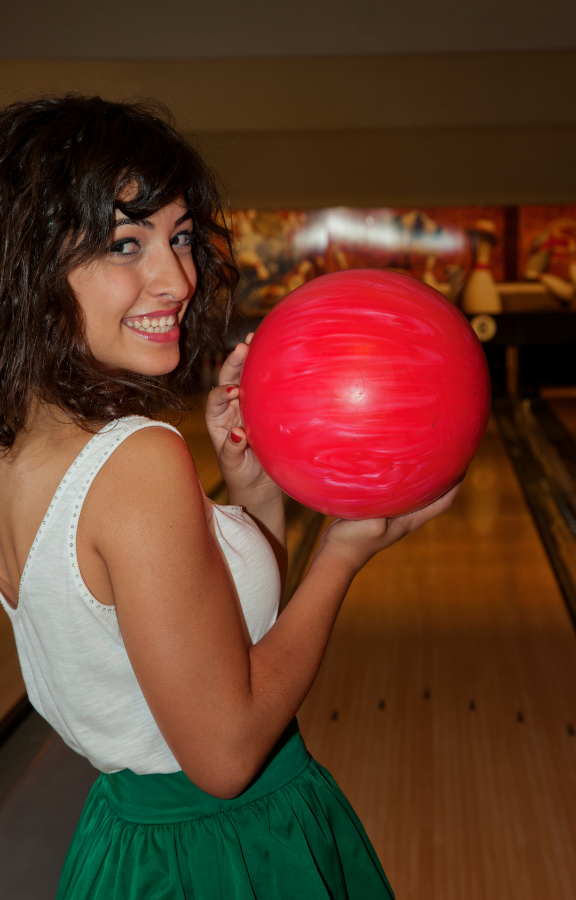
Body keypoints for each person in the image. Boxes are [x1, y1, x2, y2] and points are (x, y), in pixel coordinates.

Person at [0, 95, 460, 899]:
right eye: (124, 244)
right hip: (230, 852)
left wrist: (251, 499)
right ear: (31, 266)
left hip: (123, 845)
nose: (175, 276)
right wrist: (343, 554)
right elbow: (225, 752)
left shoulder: (20, 455)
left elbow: (177, 651)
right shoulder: (136, 461)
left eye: (179, 237)